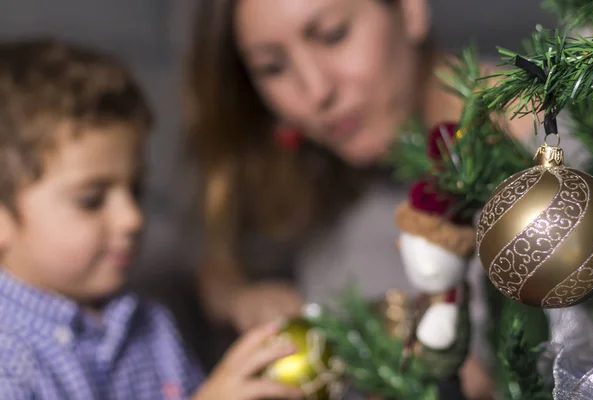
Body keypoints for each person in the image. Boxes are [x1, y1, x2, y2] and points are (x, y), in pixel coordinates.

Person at [187, 0, 532, 398]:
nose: (317, 91)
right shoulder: (318, 188)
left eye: (334, 35)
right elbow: (206, 263)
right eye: (272, 67)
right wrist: (239, 299)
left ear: (410, 9)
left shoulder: (564, 149)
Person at [0, 39, 303, 400]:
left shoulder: (152, 326)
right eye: (91, 200)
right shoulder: (9, 360)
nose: (132, 218)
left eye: (137, 190)